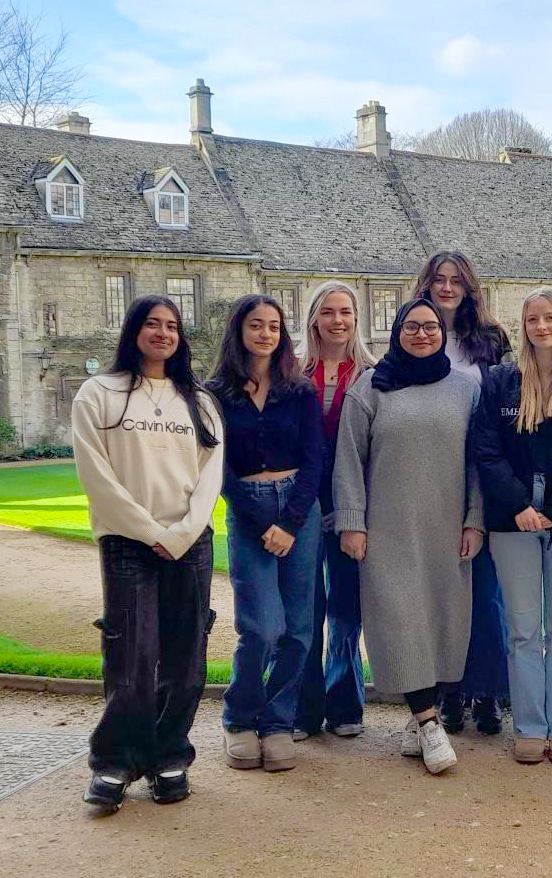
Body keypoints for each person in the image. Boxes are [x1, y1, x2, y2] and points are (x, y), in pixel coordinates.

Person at [73, 296, 223, 810]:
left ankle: (169, 756)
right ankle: (115, 761)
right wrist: (146, 530)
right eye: (153, 324)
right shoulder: (99, 394)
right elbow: (97, 475)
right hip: (126, 542)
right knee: (131, 656)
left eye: (172, 325)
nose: (163, 333)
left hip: (190, 542)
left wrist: (182, 532)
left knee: (185, 657)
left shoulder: (197, 399)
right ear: (134, 329)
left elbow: (210, 474)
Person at [333, 298, 484, 775]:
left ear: (442, 332)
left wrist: (475, 519)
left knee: (442, 620)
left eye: (431, 326)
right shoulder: (370, 389)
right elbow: (348, 460)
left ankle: (420, 721)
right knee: (400, 618)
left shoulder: (465, 390)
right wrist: (352, 522)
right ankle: (428, 720)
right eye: (412, 326)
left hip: (448, 525)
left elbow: (479, 463)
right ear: (397, 332)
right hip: (388, 528)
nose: (422, 333)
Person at [473, 287, 552, 764]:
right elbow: (486, 449)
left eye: (550, 317)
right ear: (524, 326)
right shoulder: (501, 381)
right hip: (513, 521)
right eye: (533, 320)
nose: (542, 326)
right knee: (525, 630)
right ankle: (529, 725)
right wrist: (518, 506)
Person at [209, 295, 323, 773]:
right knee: (260, 627)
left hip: (299, 505)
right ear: (239, 330)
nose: (266, 334)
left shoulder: (298, 391)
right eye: (257, 325)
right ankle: (239, 717)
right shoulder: (215, 393)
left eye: (274, 326)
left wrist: (291, 522)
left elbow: (316, 458)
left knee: (298, 628)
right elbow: (216, 466)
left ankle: (277, 721)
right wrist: (263, 524)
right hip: (249, 508)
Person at [417, 250, 511, 735]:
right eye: (439, 279)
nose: (447, 287)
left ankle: (487, 695)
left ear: (469, 286)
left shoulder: (490, 340)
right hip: (432, 476)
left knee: (485, 593)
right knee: (440, 592)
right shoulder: (415, 332)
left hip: (483, 470)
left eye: (456, 280)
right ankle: (447, 693)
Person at [293, 283, 378, 741]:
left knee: (346, 610)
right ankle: (303, 710)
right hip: (302, 505)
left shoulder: (371, 373)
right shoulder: (293, 371)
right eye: (328, 312)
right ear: (314, 318)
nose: (338, 320)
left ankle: (345, 704)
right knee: (305, 610)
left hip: (351, 505)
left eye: (345, 312)